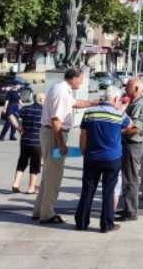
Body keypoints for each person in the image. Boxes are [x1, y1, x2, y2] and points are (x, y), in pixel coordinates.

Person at [33, 68, 99, 225]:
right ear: (74, 78)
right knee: (54, 176)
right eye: (81, 79)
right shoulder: (62, 91)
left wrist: (94, 103)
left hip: (51, 133)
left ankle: (40, 210)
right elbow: (56, 119)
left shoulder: (62, 88)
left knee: (48, 175)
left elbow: (74, 103)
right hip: (54, 134)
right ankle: (47, 214)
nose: (82, 82)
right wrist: (61, 143)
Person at [75, 86, 133, 232]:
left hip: (92, 156)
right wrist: (120, 108)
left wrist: (83, 151)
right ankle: (106, 224)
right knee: (108, 191)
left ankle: (81, 222)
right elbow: (130, 125)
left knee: (88, 190)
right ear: (115, 99)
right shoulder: (119, 115)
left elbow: (83, 135)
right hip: (112, 158)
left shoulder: (89, 113)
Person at [120, 77, 143, 222]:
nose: (126, 89)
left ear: (136, 89)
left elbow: (136, 128)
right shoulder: (133, 102)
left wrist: (116, 132)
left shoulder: (139, 104)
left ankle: (131, 211)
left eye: (128, 87)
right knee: (127, 178)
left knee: (130, 179)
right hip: (129, 144)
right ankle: (128, 208)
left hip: (133, 144)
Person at [7, 92, 46, 194]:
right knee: (35, 164)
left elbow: (11, 116)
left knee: (22, 161)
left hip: (25, 140)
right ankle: (31, 188)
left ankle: (16, 183)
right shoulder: (44, 111)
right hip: (37, 142)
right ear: (41, 100)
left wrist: (18, 128)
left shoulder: (25, 108)